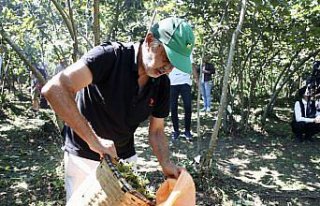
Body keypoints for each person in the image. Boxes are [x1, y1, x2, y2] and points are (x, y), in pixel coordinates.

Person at [41, 17, 195, 201]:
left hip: (123, 160)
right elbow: (55, 89)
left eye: (174, 65)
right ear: (149, 40)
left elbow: (157, 131)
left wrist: (166, 162)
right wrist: (94, 141)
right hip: (84, 157)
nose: (167, 69)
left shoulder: (162, 84)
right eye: (167, 58)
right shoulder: (110, 57)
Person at [169, 67, 193, 141]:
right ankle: (176, 131)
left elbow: (192, 65)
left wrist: (197, 79)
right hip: (172, 83)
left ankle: (187, 131)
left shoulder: (188, 54)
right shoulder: (170, 54)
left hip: (185, 82)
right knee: (173, 108)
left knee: (188, 106)